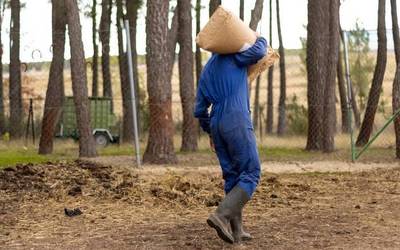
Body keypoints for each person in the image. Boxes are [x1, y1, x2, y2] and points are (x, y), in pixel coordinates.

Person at [194, 35, 268, 244]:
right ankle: (221, 215)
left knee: (233, 176)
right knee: (251, 172)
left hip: (217, 123)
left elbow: (199, 110)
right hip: (236, 118)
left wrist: (211, 132)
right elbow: (261, 51)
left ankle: (237, 232)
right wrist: (257, 37)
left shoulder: (207, 70)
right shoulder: (235, 56)